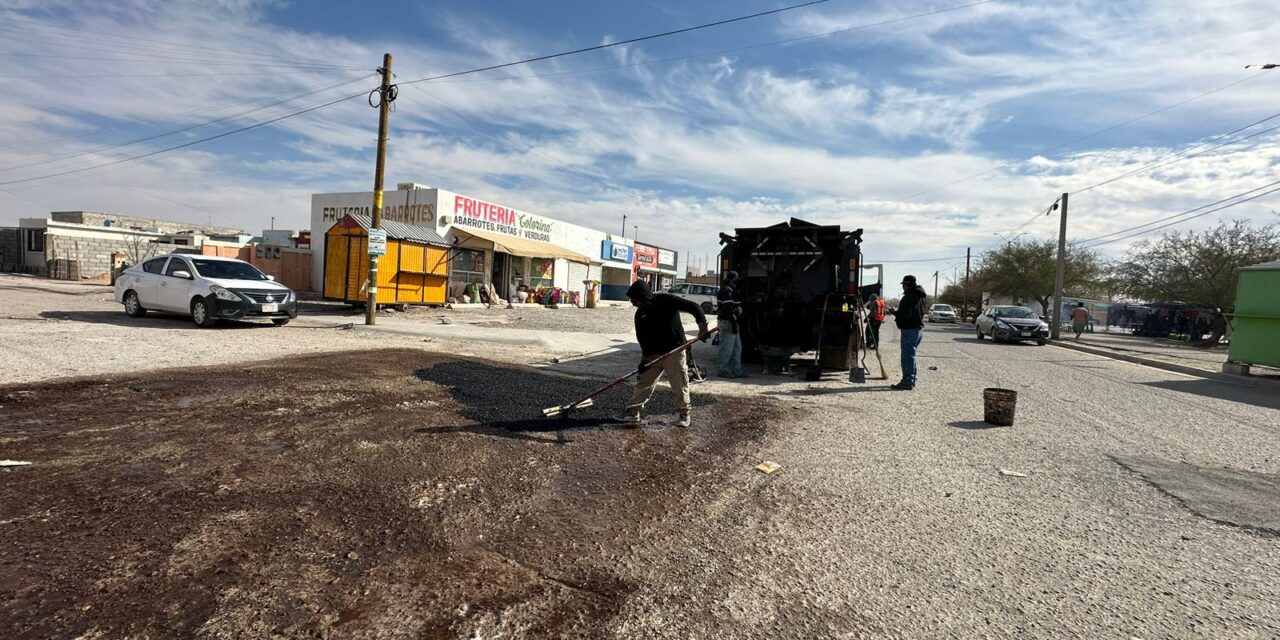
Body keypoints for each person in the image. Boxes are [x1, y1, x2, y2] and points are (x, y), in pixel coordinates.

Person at [615, 280, 711, 427]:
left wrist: (702, 326)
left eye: (634, 300)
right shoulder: (640, 315)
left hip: (674, 351)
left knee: (679, 383)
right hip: (653, 354)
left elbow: (694, 307)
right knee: (644, 382)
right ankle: (633, 412)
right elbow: (642, 339)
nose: (633, 303)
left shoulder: (666, 300)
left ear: (643, 297)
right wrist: (644, 360)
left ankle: (684, 414)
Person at [888, 275, 927, 391]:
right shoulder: (920, 296)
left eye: (903, 285)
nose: (903, 287)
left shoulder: (908, 297)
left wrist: (896, 314)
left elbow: (905, 315)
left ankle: (907, 382)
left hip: (909, 330)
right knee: (911, 356)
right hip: (918, 330)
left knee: (907, 357)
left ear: (906, 285)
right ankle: (911, 380)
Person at [716, 271, 745, 378]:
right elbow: (727, 309)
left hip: (733, 322)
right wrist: (732, 323)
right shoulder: (726, 290)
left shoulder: (731, 290)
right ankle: (722, 370)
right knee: (726, 348)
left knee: (737, 348)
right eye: (736, 278)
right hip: (728, 322)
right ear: (732, 279)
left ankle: (737, 371)